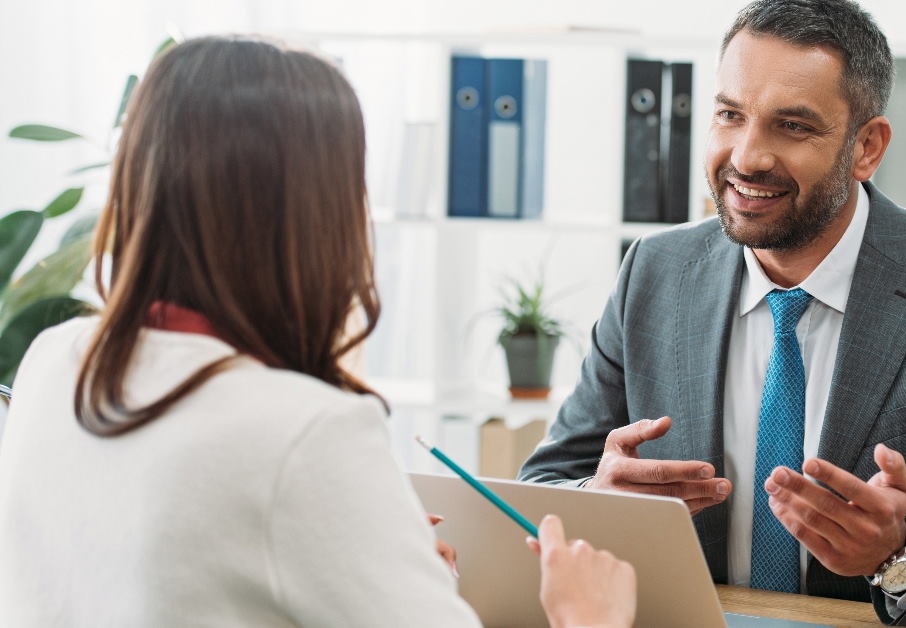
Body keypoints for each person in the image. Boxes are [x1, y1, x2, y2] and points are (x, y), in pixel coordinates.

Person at [0, 36, 636, 628]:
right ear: (316, 217)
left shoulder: (54, 360)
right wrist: (588, 613)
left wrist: (377, 557)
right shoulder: (302, 430)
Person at [519, 0, 906, 624]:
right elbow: (544, 488)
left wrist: (901, 555)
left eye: (792, 126)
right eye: (730, 115)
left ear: (868, 148)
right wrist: (597, 501)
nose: (747, 157)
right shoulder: (653, 272)